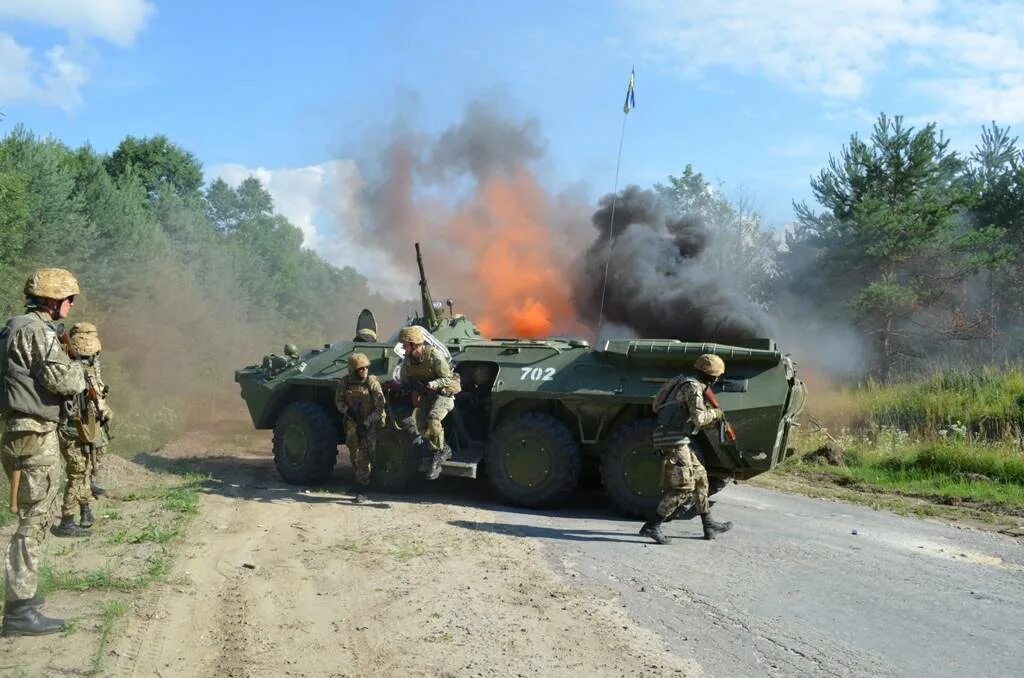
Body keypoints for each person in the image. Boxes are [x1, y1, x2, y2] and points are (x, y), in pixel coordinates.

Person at [0, 268, 86, 636]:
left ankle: (25, 598)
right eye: (68, 299)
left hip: (18, 432)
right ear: (51, 301)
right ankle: (19, 610)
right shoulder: (37, 331)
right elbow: (60, 380)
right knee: (35, 520)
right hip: (34, 432)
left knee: (33, 515)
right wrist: (80, 370)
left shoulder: (13, 327)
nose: (70, 305)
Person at [639, 353, 734, 544]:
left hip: (674, 437)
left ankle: (708, 524)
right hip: (673, 440)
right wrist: (716, 413)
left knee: (700, 478)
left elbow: (656, 405)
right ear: (711, 376)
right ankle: (652, 526)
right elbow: (699, 418)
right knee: (683, 487)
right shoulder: (693, 387)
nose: (716, 380)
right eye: (716, 377)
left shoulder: (681, 381)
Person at [54, 322, 112, 537]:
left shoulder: (73, 366)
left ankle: (85, 509)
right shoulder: (74, 369)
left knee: (83, 471)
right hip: (72, 429)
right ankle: (68, 520)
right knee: (78, 474)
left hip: (79, 427)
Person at [397, 325, 460, 480]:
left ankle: (439, 454)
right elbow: (405, 380)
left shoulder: (434, 356)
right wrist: (411, 389)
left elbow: (448, 378)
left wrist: (434, 384)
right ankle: (444, 448)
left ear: (414, 344)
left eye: (405, 344)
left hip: (444, 393)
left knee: (433, 418)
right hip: (426, 395)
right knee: (421, 426)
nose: (403, 348)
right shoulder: (408, 362)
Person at [334, 353, 385, 503]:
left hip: (368, 423)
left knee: (365, 455)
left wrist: (368, 421)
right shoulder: (346, 382)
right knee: (353, 451)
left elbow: (380, 407)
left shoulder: (371, 382)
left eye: (366, 367)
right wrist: (347, 410)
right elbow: (339, 400)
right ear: (354, 370)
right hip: (352, 422)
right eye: (360, 368)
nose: (364, 370)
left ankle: (363, 487)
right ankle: (359, 480)